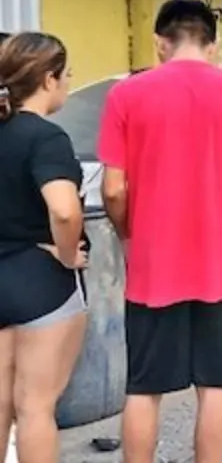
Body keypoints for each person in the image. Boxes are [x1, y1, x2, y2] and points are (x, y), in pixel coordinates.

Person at [98, 0, 222, 463]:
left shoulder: (126, 95)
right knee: (216, 384)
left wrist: (128, 236)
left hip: (153, 265)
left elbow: (114, 189)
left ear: (160, 43)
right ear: (213, 46)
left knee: (144, 386)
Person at [0, 32, 88, 463]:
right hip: (39, 285)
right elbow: (66, 211)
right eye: (66, 74)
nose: (69, 83)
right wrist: (68, 255)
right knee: (35, 407)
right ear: (48, 80)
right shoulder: (46, 138)